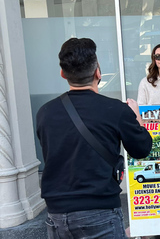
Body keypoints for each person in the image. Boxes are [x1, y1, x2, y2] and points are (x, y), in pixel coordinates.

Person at [36, 38, 152, 239]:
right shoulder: (117, 110)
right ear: (98, 72)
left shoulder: (45, 112)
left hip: (56, 214)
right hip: (100, 210)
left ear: (63, 74)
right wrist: (139, 120)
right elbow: (141, 150)